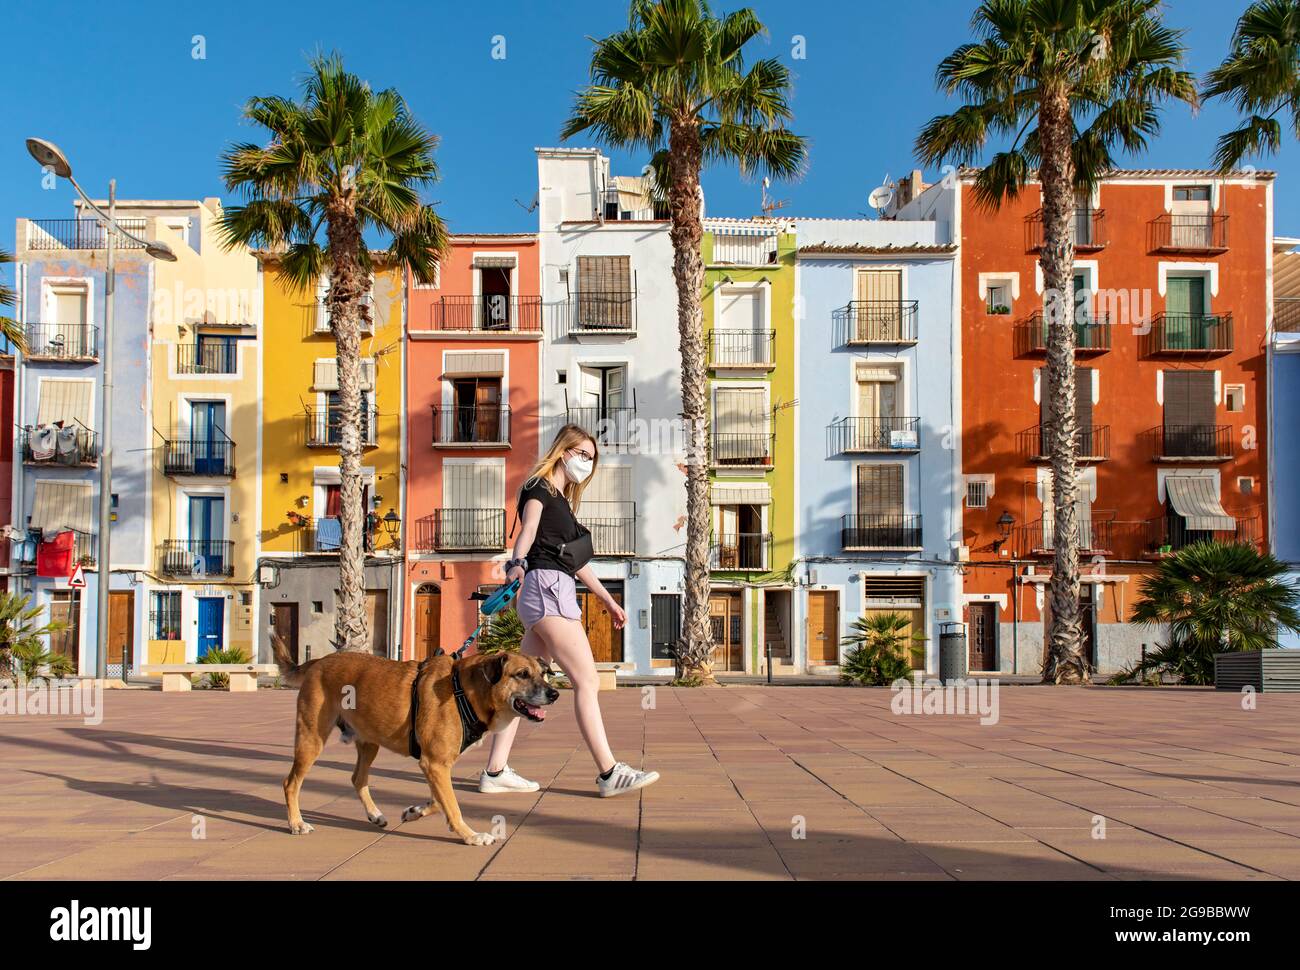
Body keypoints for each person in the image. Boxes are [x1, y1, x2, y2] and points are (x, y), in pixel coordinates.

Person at [478, 424, 660, 798]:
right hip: (546, 589)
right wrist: (516, 562)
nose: (586, 462)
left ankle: (495, 773)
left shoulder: (563, 502)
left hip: (552, 589)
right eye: (582, 454)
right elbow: (527, 531)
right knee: (587, 681)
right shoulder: (539, 488)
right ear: (563, 451)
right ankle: (609, 773)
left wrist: (608, 600)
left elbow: (575, 562)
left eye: (591, 459)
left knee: (523, 686)